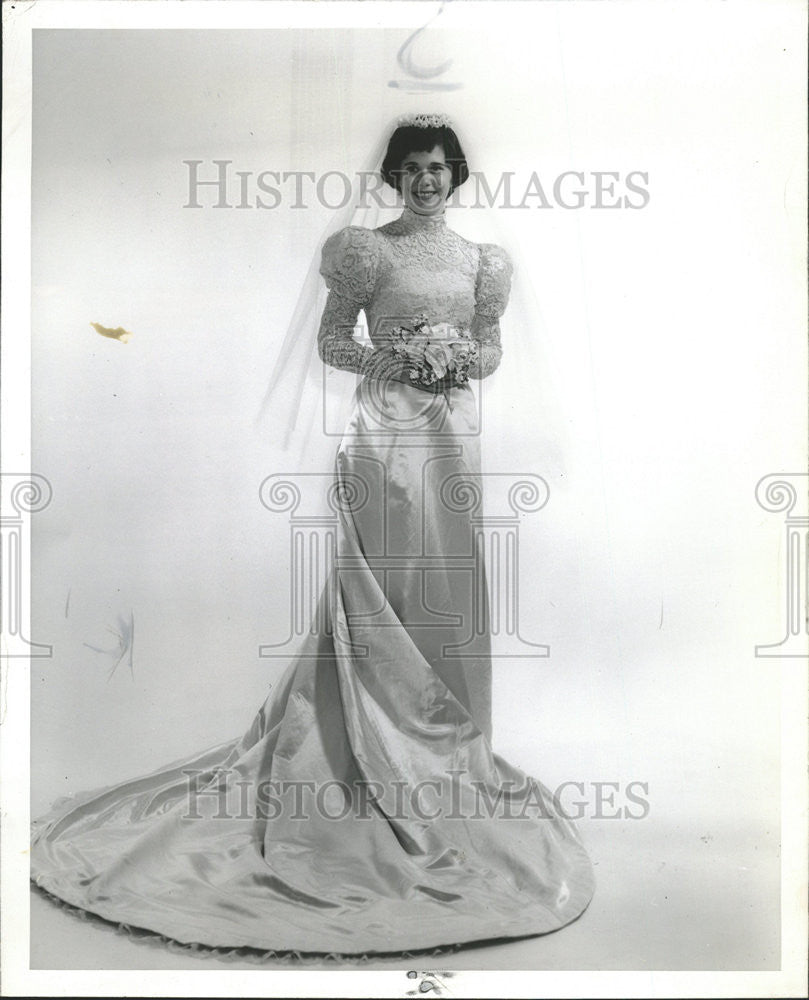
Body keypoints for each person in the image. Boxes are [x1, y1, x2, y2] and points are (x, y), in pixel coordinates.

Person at [30, 114, 595, 958]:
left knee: (442, 589)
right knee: (373, 588)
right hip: (379, 440)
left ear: (457, 175)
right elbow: (335, 342)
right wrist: (397, 362)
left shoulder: (484, 263)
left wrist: (452, 359)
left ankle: (440, 763)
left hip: (447, 441)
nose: (426, 180)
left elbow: (489, 353)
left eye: (437, 168)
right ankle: (354, 761)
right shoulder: (366, 251)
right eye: (412, 168)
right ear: (394, 177)